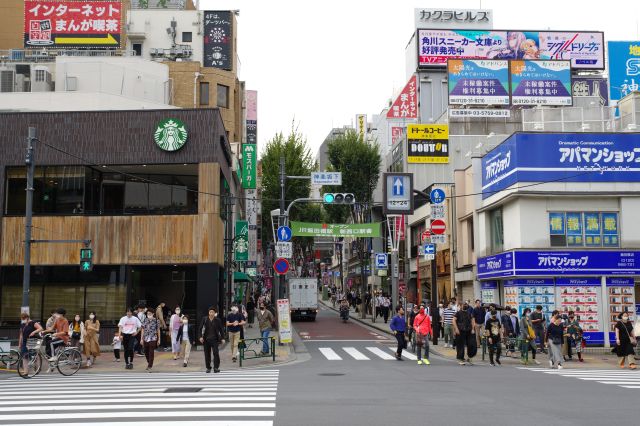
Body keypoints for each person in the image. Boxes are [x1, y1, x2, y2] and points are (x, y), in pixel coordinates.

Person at [199, 306, 225, 373]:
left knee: (216, 353)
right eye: (210, 312)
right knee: (207, 354)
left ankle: (216, 367)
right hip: (206, 339)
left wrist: (223, 338)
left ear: (215, 313)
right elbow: (200, 328)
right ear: (208, 312)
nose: (211, 313)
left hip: (215, 339)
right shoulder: (204, 319)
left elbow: (221, 330)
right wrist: (200, 337)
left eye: (213, 312)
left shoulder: (217, 320)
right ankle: (208, 367)